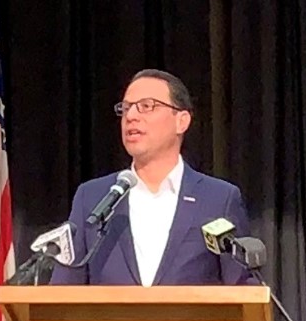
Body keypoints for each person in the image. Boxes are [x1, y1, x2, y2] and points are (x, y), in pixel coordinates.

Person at [50, 69, 254, 286]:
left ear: (181, 121)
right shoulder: (92, 198)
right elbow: (64, 289)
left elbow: (241, 289)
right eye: (126, 108)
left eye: (146, 106)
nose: (131, 116)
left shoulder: (218, 199)